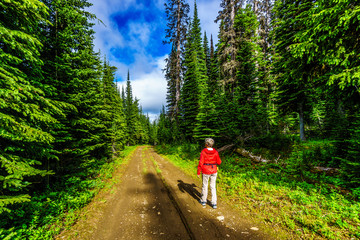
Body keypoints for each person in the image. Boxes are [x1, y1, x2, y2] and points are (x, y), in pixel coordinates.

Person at [197, 138, 221, 209]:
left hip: (206, 170)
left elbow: (201, 162)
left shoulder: (203, 152)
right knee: (213, 186)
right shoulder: (216, 152)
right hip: (214, 170)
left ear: (206, 144)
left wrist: (198, 172)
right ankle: (214, 203)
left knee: (205, 185)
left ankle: (203, 201)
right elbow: (219, 162)